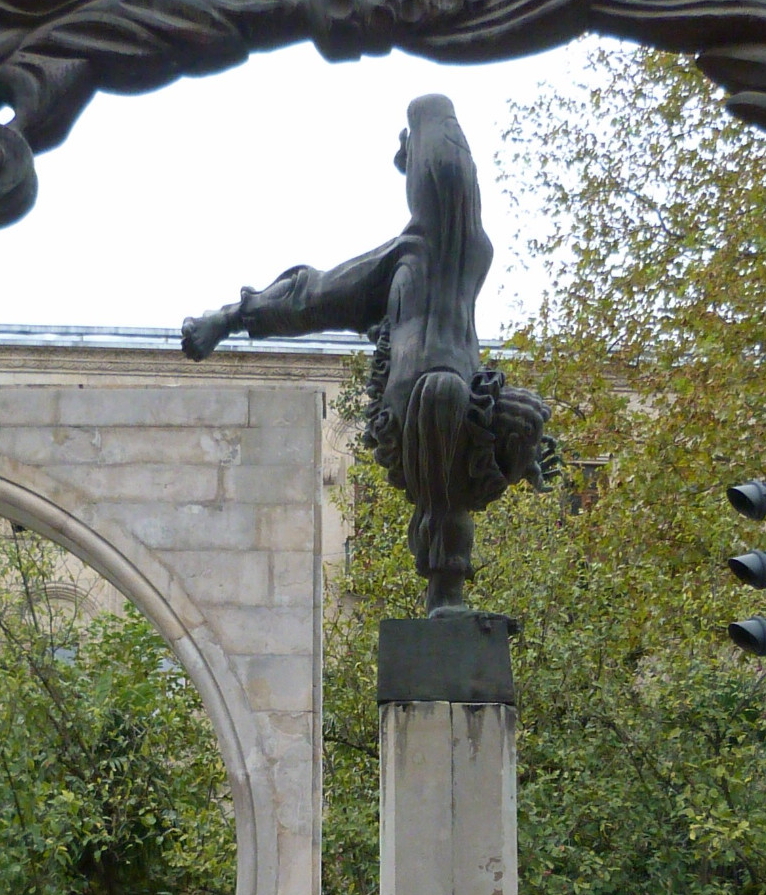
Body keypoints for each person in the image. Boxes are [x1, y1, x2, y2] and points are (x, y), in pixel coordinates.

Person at [183, 94, 553, 611]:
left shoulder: (463, 247)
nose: (456, 186)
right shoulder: (409, 253)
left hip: (459, 398)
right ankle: (444, 590)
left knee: (507, 413)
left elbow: (449, 178)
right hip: (421, 399)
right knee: (442, 415)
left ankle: (448, 591)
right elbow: (308, 296)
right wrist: (229, 318)